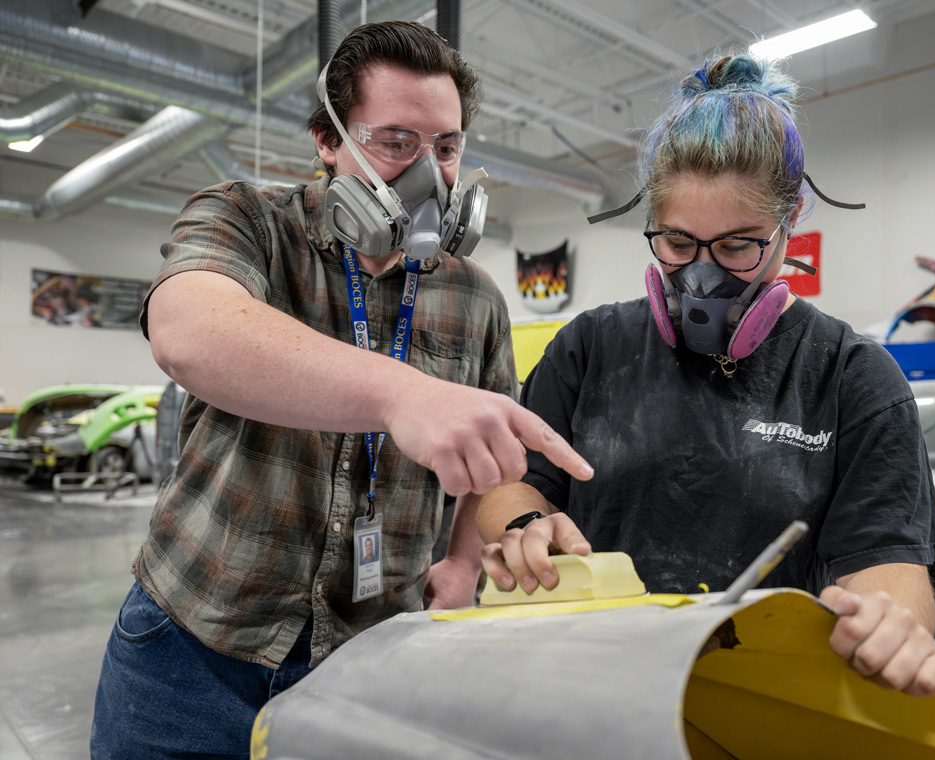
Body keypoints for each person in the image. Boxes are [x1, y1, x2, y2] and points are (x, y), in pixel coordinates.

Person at [91, 21, 592, 760]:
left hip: (369, 658)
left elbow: (487, 468)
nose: (430, 175)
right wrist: (403, 394)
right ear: (328, 140)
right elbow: (186, 331)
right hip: (193, 649)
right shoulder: (250, 221)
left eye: (446, 148)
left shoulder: (476, 297)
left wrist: (462, 563)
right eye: (396, 142)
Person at [477, 50, 935, 698]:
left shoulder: (853, 379)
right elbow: (512, 487)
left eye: (736, 246)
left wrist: (891, 628)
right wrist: (526, 530)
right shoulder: (588, 349)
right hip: (584, 689)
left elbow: (889, 567)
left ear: (790, 221)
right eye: (677, 243)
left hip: (758, 704)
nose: (702, 277)